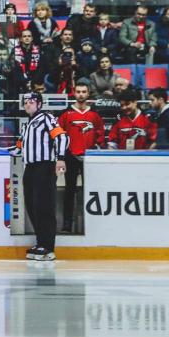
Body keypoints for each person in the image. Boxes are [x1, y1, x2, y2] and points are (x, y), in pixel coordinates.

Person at [15, 92, 70, 261]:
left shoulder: (46, 118)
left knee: (44, 206)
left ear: (39, 104)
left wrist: (60, 158)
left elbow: (61, 136)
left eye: (31, 101)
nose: (27, 104)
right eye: (25, 102)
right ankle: (41, 242)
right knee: (32, 206)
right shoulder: (28, 125)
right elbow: (19, 146)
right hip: (30, 168)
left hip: (45, 166)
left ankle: (48, 247)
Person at [57, 85, 105, 233]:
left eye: (84, 92)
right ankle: (67, 224)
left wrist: (95, 148)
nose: (81, 94)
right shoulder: (66, 113)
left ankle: (93, 224)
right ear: (74, 93)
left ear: (88, 93)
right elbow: (59, 135)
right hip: (71, 157)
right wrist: (63, 155)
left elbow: (100, 134)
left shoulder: (95, 115)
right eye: (78, 92)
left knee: (91, 191)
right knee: (69, 191)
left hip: (89, 158)